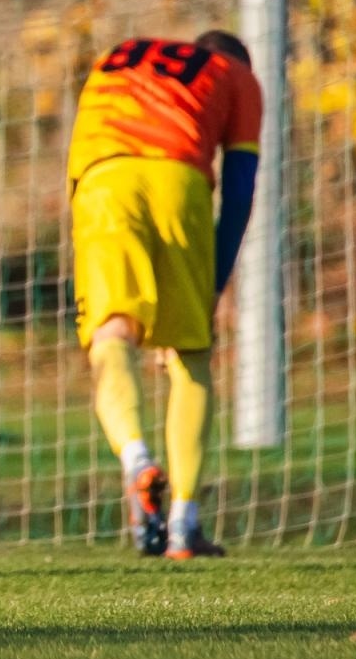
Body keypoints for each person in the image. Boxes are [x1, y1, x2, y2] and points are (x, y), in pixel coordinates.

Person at [67, 31, 262, 559]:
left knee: (111, 334)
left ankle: (136, 460)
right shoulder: (237, 76)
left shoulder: (117, 52)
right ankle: (183, 524)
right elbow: (241, 189)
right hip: (179, 179)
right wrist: (210, 288)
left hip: (102, 179)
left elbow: (80, 146)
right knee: (191, 355)